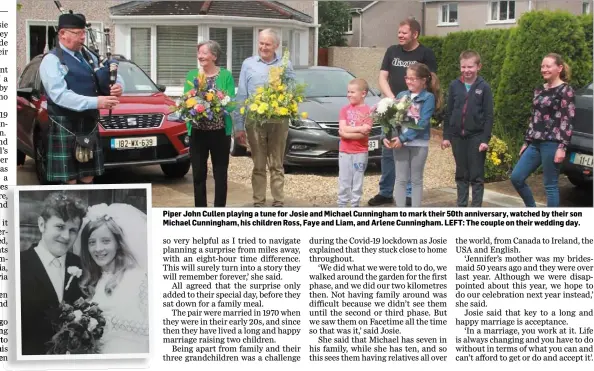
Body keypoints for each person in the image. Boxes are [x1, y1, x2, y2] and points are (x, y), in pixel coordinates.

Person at [39, 12, 123, 185]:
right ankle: (70, 210)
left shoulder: (88, 56)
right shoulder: (51, 60)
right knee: (69, 179)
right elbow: (60, 95)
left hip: (88, 122)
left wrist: (117, 86)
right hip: (65, 123)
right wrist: (97, 101)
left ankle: (89, 210)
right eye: (78, 33)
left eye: (83, 33)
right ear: (63, 34)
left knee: (88, 176)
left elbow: (108, 73)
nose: (83, 38)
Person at [369, 18, 437, 207]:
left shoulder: (426, 53)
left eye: (404, 32)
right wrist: (394, 100)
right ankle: (385, 192)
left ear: (415, 34)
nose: (400, 35)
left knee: (408, 152)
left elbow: (432, 80)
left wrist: (415, 104)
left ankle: (408, 196)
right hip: (396, 102)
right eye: (399, 32)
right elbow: (382, 77)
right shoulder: (392, 51)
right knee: (389, 153)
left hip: (414, 109)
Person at [20, 192, 87, 355]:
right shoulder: (18, 264)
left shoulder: (80, 265)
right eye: (60, 227)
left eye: (73, 230)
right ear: (42, 224)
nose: (66, 236)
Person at [234, 29, 295, 207]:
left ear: (276, 46)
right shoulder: (248, 64)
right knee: (258, 164)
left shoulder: (285, 64)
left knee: (276, 163)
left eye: (267, 44)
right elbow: (242, 95)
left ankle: (278, 200)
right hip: (255, 121)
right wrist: (239, 126)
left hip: (278, 120)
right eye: (261, 43)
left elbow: (291, 92)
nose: (263, 47)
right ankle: (259, 201)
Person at [77, 203, 149, 354]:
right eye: (92, 242)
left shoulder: (138, 277)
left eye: (106, 241)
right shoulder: (95, 281)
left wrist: (109, 322)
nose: (98, 249)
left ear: (118, 243)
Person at [510, 53, 575, 207]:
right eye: (542, 66)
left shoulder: (566, 90)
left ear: (559, 68)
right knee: (517, 178)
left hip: (552, 143)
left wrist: (562, 147)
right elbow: (535, 117)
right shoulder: (539, 89)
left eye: (548, 66)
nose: (544, 69)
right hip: (535, 143)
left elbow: (568, 120)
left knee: (550, 186)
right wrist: (527, 141)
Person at [183, 40, 236, 207]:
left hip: (220, 133)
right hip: (198, 133)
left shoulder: (226, 75)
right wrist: (192, 103)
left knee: (220, 175)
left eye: (204, 53)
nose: (200, 56)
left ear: (214, 56)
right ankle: (201, 213)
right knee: (198, 174)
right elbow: (186, 101)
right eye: (199, 53)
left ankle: (219, 212)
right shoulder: (192, 75)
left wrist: (220, 101)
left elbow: (232, 103)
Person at [441, 50, 494, 207]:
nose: (466, 70)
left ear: (479, 67)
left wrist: (485, 139)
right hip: (458, 137)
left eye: (470, 67)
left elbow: (488, 116)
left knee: (476, 176)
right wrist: (446, 136)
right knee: (461, 174)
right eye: (463, 67)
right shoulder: (454, 86)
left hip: (476, 138)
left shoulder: (484, 88)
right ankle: (461, 206)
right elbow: (448, 112)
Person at [386, 63, 441, 207]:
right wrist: (386, 137)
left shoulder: (428, 97)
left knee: (416, 180)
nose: (409, 81)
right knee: (400, 179)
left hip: (418, 144)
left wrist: (403, 138)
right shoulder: (401, 95)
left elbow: (422, 123)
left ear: (423, 80)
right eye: (407, 78)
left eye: (413, 78)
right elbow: (392, 119)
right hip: (400, 143)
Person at [337, 78, 373, 207]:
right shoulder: (344, 110)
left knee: (357, 181)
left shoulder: (368, 111)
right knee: (344, 180)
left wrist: (346, 134)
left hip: (360, 152)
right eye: (348, 92)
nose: (349, 95)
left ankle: (354, 206)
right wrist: (358, 129)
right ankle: (342, 205)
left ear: (363, 93)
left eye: (352, 92)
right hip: (345, 152)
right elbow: (343, 128)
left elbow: (364, 133)